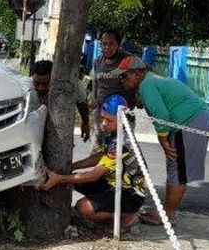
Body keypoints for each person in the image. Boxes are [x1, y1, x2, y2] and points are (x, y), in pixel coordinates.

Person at [113, 55, 209, 226]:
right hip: (193, 120)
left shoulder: (147, 85)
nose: (121, 80)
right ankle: (166, 212)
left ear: (138, 74)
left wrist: (163, 141)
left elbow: (161, 115)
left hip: (189, 122)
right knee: (175, 169)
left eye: (124, 75)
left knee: (177, 170)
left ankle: (168, 216)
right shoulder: (150, 82)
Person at [37, 94, 147, 230]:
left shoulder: (122, 142)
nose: (103, 123)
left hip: (131, 193)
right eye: (103, 118)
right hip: (114, 182)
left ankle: (128, 215)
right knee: (76, 179)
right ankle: (107, 209)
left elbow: (94, 175)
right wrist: (71, 167)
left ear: (121, 120)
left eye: (109, 120)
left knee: (83, 207)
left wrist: (59, 179)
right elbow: (100, 156)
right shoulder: (116, 132)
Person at [90, 30, 134, 152]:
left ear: (119, 44)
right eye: (104, 44)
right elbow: (95, 81)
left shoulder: (128, 60)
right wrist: (93, 97)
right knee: (97, 150)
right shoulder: (97, 61)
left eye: (111, 43)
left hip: (121, 117)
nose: (107, 47)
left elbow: (138, 80)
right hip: (100, 114)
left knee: (121, 152)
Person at [32, 59, 90, 141]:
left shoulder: (71, 84)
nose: (40, 88)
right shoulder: (26, 86)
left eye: (45, 84)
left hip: (61, 135)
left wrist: (85, 123)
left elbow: (82, 103)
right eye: (37, 84)